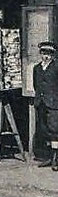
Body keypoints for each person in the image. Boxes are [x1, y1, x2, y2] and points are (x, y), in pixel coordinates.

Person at [34, 41, 58, 170]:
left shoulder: (56, 67)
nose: (46, 56)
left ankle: (55, 158)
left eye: (49, 53)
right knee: (44, 130)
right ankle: (48, 157)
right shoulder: (36, 68)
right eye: (44, 53)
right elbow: (36, 85)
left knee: (54, 130)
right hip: (41, 103)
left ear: (52, 55)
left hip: (53, 104)